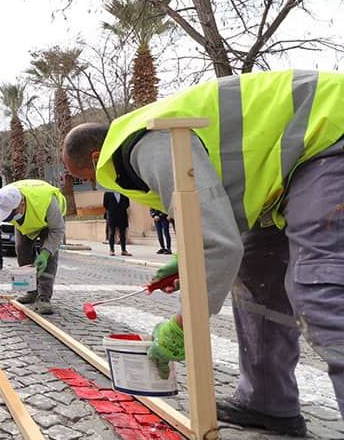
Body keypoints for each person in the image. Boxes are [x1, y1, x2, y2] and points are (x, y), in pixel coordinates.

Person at [62, 70, 344, 437]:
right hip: (286, 174)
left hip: (327, 135)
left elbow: (220, 246)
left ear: (98, 156)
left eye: (84, 175)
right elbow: (224, 222)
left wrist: (182, 326)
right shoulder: (148, 139)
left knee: (323, 289)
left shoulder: (149, 143)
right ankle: (268, 403)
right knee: (257, 279)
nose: (91, 183)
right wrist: (190, 258)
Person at [0, 180, 66, 314]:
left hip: (49, 223)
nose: (9, 218)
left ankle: (44, 297)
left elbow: (57, 230)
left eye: (11, 214)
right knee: (22, 250)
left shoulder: (48, 202)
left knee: (49, 258)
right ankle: (32, 291)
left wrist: (45, 254)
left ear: (21, 204)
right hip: (26, 225)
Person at [103, 191, 131, 256]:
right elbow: (105, 205)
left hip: (122, 216)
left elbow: (127, 204)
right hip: (112, 216)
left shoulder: (124, 193)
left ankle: (123, 250)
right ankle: (112, 250)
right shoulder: (108, 194)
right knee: (112, 233)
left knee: (122, 234)